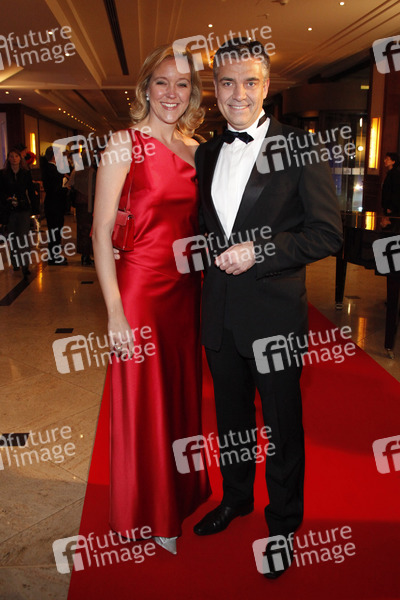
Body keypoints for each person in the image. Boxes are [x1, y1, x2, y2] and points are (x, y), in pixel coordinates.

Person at [192, 38, 343, 578]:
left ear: (266, 86)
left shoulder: (300, 147)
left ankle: (283, 525)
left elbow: (327, 234)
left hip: (275, 318)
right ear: (214, 88)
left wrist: (260, 250)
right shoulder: (207, 152)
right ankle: (235, 499)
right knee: (231, 422)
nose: (238, 93)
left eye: (250, 82)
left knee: (281, 426)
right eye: (227, 82)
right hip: (219, 314)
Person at [92, 45, 211, 555]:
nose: (171, 93)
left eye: (182, 84)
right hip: (140, 289)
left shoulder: (196, 148)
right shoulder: (124, 144)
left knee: (180, 397)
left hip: (186, 292)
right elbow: (100, 233)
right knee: (145, 401)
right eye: (162, 82)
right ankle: (150, 511)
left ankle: (180, 493)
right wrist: (115, 312)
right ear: (145, 87)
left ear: (193, 93)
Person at [0, 148, 35, 276]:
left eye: (16, 156)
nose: (14, 159)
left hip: (23, 208)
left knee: (23, 237)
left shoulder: (25, 173)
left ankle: (25, 264)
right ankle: (15, 262)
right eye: (11, 156)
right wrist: (7, 199)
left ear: (20, 158)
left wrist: (35, 209)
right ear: (8, 159)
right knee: (13, 237)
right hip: (9, 210)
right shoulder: (3, 174)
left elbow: (31, 191)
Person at [41, 147, 68, 265]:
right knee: (55, 232)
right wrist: (65, 187)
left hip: (54, 204)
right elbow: (55, 189)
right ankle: (53, 257)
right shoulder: (52, 169)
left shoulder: (52, 168)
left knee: (55, 231)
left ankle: (55, 255)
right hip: (54, 205)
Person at [382, 152, 400, 220]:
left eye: (387, 159)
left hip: (392, 207)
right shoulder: (390, 173)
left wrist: (391, 207)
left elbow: (396, 191)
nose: (385, 161)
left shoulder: (395, 174)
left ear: (393, 162)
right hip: (388, 205)